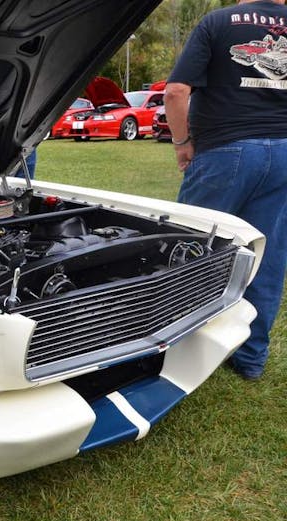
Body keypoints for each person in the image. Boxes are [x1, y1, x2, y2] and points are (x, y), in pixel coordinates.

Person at [164, 0, 287, 380]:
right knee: (268, 257)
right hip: (283, 151)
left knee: (192, 249)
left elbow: (175, 91)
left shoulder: (218, 20)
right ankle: (251, 359)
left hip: (224, 150)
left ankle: (171, 351)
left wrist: (182, 141)